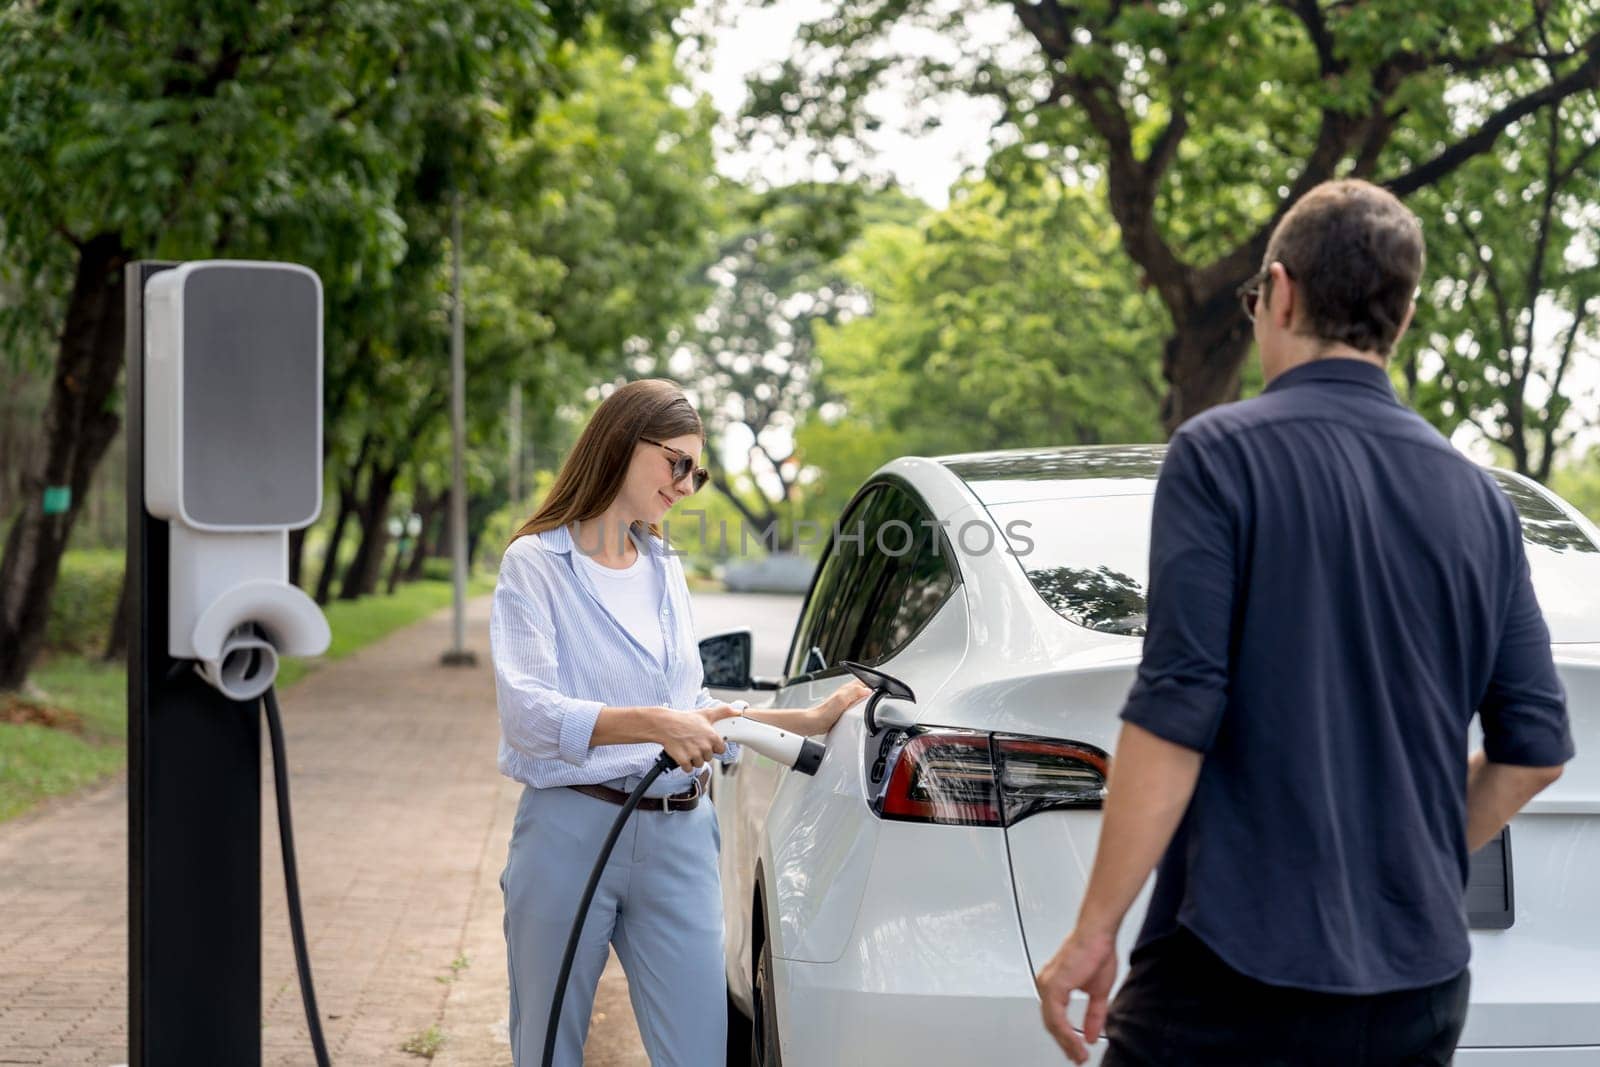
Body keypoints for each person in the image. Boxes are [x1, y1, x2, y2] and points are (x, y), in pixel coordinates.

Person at [1035, 179, 1574, 1065]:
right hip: (1420, 983)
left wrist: (1095, 929)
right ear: (1400, 321)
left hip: (1234, 967)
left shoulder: (1219, 457)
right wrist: (1411, 862)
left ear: (1279, 292)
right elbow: (1535, 750)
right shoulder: (1483, 501)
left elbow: (1176, 711)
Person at [489, 377, 870, 1066]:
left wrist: (804, 719)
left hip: (682, 839)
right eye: (679, 463)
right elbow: (528, 716)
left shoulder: (664, 565)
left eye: (699, 470)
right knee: (546, 1052)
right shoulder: (536, 563)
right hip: (571, 830)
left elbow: (689, 712)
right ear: (623, 442)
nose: (689, 484)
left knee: (699, 1053)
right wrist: (657, 724)